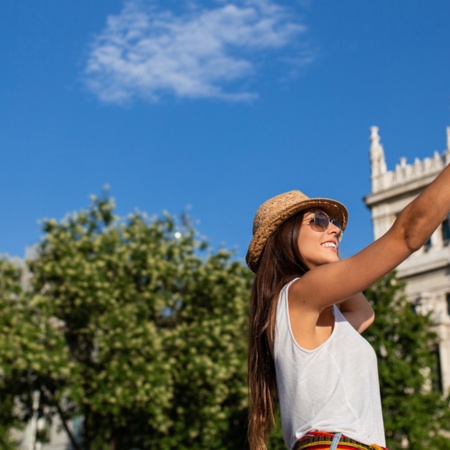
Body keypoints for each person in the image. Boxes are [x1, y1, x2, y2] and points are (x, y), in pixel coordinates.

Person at [246, 163, 450, 450]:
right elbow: (406, 235)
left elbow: (365, 314)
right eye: (317, 220)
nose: (334, 229)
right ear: (285, 235)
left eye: (335, 224)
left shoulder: (300, 306)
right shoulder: (301, 292)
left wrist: (329, 251)